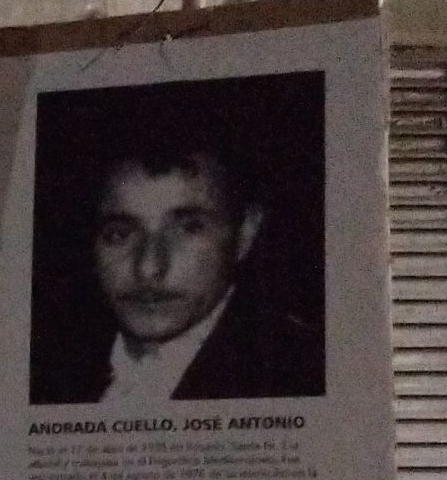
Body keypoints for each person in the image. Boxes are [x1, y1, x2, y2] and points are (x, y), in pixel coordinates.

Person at [30, 117, 324, 404]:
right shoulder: (45, 366)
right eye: (119, 233)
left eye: (189, 228)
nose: (148, 268)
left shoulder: (302, 374)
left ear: (245, 233)